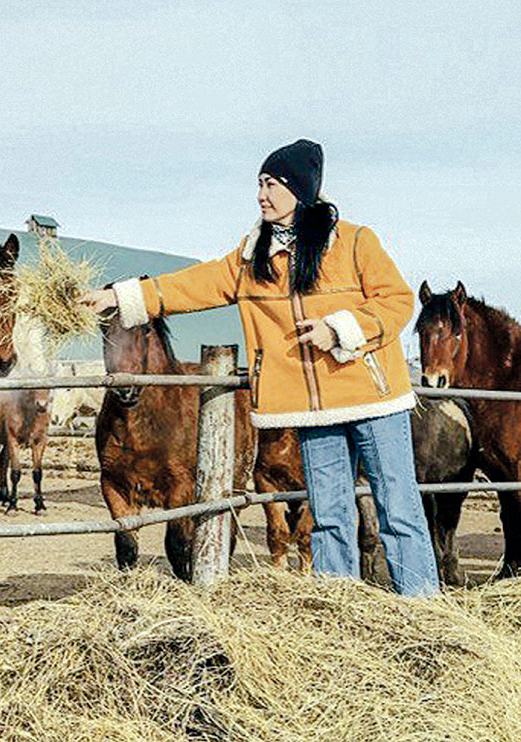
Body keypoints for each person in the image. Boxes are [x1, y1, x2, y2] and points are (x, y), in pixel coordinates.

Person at [81, 139, 438, 596]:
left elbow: (397, 301)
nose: (261, 195)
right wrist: (119, 297)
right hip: (310, 411)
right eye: (259, 184)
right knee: (328, 516)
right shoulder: (252, 257)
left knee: (398, 509)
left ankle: (421, 604)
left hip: (374, 399)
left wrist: (340, 330)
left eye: (271, 184)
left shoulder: (354, 242)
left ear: (300, 188)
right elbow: (193, 284)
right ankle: (340, 605)